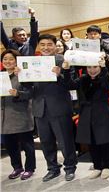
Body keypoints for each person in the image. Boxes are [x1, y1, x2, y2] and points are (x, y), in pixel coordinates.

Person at [16, 34, 77, 182]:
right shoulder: (32, 62)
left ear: (55, 46)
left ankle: (70, 168)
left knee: (65, 141)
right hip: (39, 108)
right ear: (38, 46)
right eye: (42, 44)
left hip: (59, 108)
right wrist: (21, 77)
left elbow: (72, 85)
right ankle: (52, 168)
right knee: (46, 142)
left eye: (49, 44)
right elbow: (29, 89)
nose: (46, 47)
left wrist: (61, 75)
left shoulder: (63, 61)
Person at [61, 56, 109, 180]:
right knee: (91, 140)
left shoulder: (104, 77)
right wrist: (66, 70)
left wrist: (104, 68)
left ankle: (107, 166)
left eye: (95, 67)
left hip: (102, 111)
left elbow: (108, 83)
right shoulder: (83, 78)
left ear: (99, 67)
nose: (92, 70)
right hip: (86, 112)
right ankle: (97, 166)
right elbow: (69, 85)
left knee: (104, 140)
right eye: (89, 67)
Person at [1, 49, 36, 180]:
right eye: (5, 59)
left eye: (11, 59)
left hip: (20, 115)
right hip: (4, 118)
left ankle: (30, 168)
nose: (8, 61)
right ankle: (17, 167)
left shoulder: (23, 75)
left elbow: (30, 94)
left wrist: (17, 94)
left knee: (27, 145)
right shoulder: (1, 76)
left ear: (16, 61)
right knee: (10, 146)